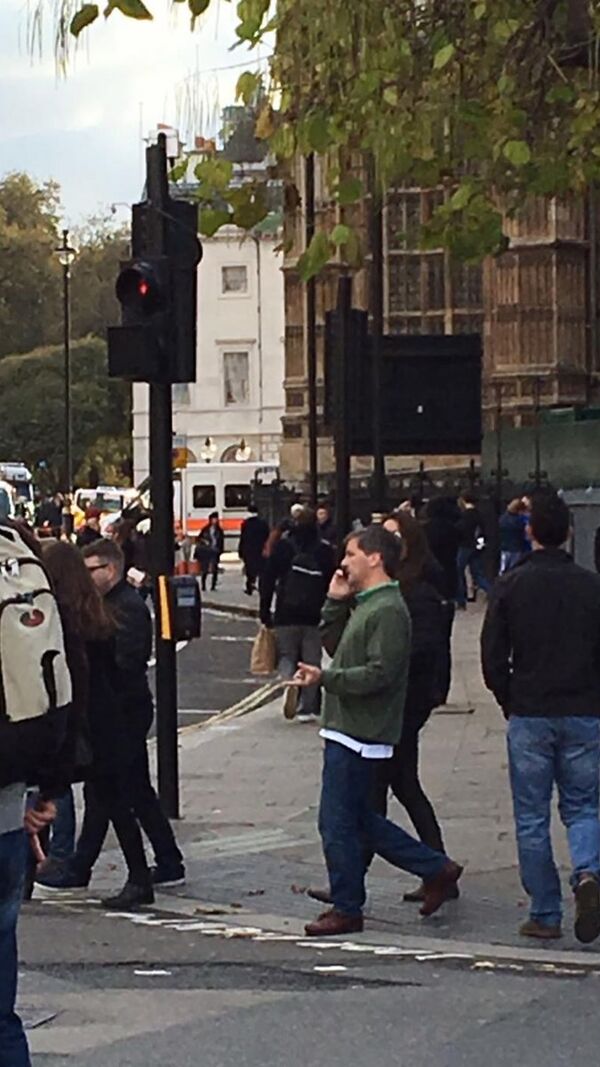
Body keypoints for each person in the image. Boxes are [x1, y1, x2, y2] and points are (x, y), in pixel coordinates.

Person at [293, 524, 463, 936]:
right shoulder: (368, 603)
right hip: (348, 726)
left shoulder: (388, 609)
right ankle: (435, 868)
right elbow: (338, 646)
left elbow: (380, 674)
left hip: (361, 730)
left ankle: (349, 907)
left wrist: (326, 680)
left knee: (336, 822)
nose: (343, 562)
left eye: (351, 554)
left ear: (375, 558)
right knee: (358, 819)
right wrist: (334, 601)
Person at [481, 492, 600, 943]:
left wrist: (508, 698)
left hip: (530, 710)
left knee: (532, 816)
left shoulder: (511, 585)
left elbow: (493, 654)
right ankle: (588, 872)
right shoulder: (591, 586)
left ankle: (545, 912)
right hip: (585, 710)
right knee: (584, 806)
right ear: (569, 533)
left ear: (530, 532)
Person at [38, 538, 185, 901]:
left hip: (107, 718)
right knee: (118, 796)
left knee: (112, 796)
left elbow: (123, 668)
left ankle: (120, 873)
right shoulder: (93, 609)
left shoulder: (90, 613)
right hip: (107, 718)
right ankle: (126, 870)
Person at [371, 512, 451, 902]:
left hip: (403, 703)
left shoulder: (417, 588)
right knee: (400, 786)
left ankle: (350, 883)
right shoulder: (392, 586)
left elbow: (424, 649)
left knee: (374, 793)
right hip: (396, 702)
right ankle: (438, 868)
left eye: (392, 536)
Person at [260, 507, 335, 722]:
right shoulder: (323, 549)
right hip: (314, 613)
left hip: (286, 611)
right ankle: (308, 708)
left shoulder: (284, 546)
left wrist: (265, 610)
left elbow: (268, 578)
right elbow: (333, 580)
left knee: (286, 655)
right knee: (311, 660)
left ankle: (288, 683)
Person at [423, 496, 461, 703]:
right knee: (444, 642)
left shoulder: (426, 531)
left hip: (432, 589)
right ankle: (442, 689)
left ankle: (431, 688)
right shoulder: (453, 529)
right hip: (449, 586)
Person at [456, 493, 491, 609]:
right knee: (477, 573)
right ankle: (492, 592)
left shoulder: (466, 515)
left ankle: (461, 599)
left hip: (465, 545)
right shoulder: (478, 514)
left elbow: (461, 530)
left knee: (459, 572)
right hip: (475, 545)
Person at [238, 505, 269, 595]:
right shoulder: (263, 523)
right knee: (260, 569)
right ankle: (261, 586)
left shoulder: (245, 524)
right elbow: (266, 536)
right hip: (259, 549)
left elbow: (243, 538)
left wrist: (240, 550)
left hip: (248, 550)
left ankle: (250, 586)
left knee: (249, 569)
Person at [195, 511, 225, 592]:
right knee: (205, 568)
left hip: (215, 551)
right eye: (213, 519)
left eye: (216, 519)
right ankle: (203, 585)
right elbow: (198, 539)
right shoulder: (205, 529)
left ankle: (213, 585)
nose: (215, 520)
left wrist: (221, 550)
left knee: (214, 568)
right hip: (206, 551)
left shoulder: (219, 530)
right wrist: (204, 542)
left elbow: (221, 541)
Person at [498, 498, 529, 573]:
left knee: (503, 569)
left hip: (505, 547)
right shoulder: (519, 520)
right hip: (516, 548)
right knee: (514, 569)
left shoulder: (503, 518)